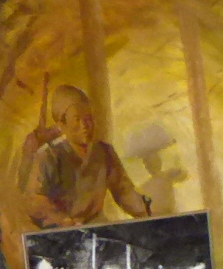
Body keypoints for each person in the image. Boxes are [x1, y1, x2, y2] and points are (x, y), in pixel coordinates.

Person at [25, 85, 150, 228]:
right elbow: (35, 201)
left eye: (88, 118)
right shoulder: (49, 156)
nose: (84, 125)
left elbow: (124, 191)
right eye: (77, 119)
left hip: (96, 226)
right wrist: (63, 221)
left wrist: (146, 210)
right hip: (61, 232)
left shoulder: (104, 152)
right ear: (62, 124)